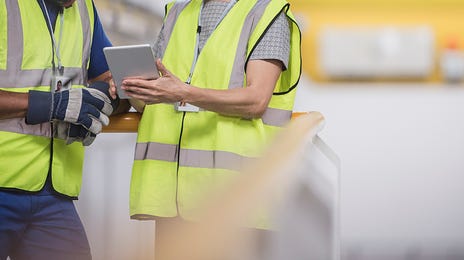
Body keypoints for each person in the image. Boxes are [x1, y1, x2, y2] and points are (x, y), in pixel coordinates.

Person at [112, 0, 301, 255]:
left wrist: (185, 93)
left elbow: (256, 100)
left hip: (235, 200)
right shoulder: (178, 13)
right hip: (172, 200)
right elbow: (154, 100)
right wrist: (132, 91)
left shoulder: (266, 14)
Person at [0, 0, 125, 259]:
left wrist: (100, 99)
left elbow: (111, 80)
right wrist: (52, 105)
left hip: (54, 195)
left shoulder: (84, 9)